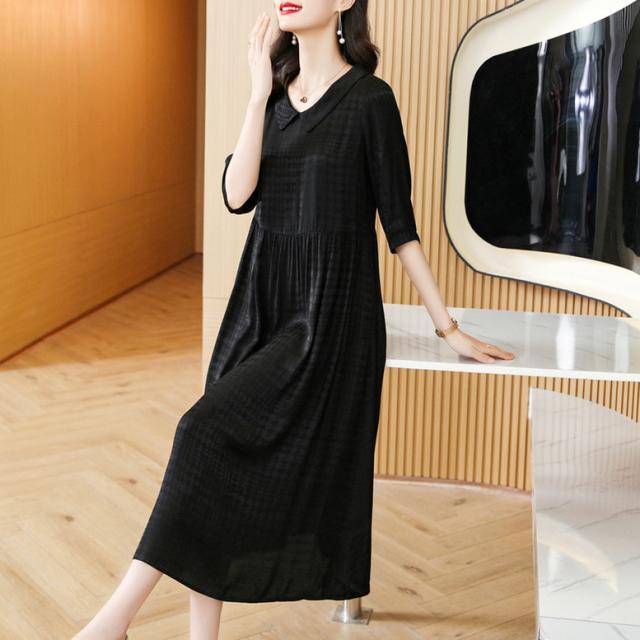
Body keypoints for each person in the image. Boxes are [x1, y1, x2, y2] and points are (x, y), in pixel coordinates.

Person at [72, 2, 515, 639]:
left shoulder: (370, 101)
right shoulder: (274, 97)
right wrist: (257, 95)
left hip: (327, 318)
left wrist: (449, 329)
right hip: (258, 307)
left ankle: (112, 622)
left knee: (199, 433)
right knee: (213, 459)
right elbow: (236, 196)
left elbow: (400, 228)